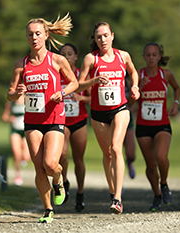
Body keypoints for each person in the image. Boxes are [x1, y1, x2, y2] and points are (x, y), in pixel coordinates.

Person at [7, 13, 78, 223]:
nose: (34, 38)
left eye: (38, 33)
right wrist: (16, 92)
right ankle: (47, 209)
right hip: (32, 122)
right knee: (38, 167)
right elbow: (9, 94)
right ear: (26, 37)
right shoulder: (21, 65)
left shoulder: (57, 60)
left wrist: (63, 93)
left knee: (50, 164)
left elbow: (74, 83)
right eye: (30, 34)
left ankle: (59, 180)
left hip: (55, 119)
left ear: (46, 35)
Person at [77, 22, 140, 214]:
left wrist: (135, 86)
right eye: (98, 37)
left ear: (112, 35)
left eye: (105, 35)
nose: (103, 40)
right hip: (98, 113)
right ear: (95, 40)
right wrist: (94, 80)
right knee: (108, 154)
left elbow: (133, 72)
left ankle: (118, 198)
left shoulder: (123, 55)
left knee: (115, 147)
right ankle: (112, 191)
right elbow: (78, 85)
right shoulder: (91, 59)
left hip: (120, 108)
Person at [129, 42, 180, 211]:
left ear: (159, 57)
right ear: (144, 57)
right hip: (143, 126)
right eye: (148, 55)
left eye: (154, 55)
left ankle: (164, 183)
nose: (151, 58)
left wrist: (175, 104)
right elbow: (130, 102)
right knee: (150, 166)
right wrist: (140, 87)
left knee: (161, 157)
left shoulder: (166, 74)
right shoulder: (138, 75)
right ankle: (157, 195)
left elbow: (177, 88)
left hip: (162, 124)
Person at [59, 43, 90, 212]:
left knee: (79, 159)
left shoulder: (81, 75)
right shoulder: (56, 75)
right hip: (62, 121)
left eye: (69, 54)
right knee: (62, 154)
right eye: (63, 54)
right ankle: (64, 182)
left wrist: (81, 98)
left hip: (79, 121)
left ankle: (80, 193)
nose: (66, 57)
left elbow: (93, 98)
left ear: (76, 56)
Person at [1, 94, 30, 186]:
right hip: (15, 131)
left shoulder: (28, 100)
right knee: (16, 154)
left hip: (26, 131)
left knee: (26, 156)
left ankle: (23, 158)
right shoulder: (11, 103)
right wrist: (10, 118)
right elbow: (4, 117)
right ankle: (18, 174)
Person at [124, 78, 137, 179]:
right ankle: (117, 185)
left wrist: (130, 110)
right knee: (113, 153)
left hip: (127, 121)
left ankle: (129, 163)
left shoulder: (127, 83)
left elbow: (135, 101)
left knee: (131, 155)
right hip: (110, 121)